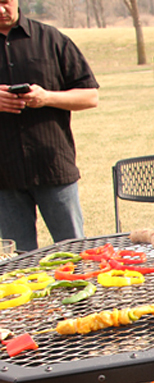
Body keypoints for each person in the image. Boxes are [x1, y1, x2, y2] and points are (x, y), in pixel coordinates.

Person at [0, 0, 98, 253]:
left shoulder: (52, 39)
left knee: (75, 254)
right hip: (3, 175)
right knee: (16, 265)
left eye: (4, 2)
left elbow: (90, 97)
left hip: (52, 166)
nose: (0, 10)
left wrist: (47, 98)